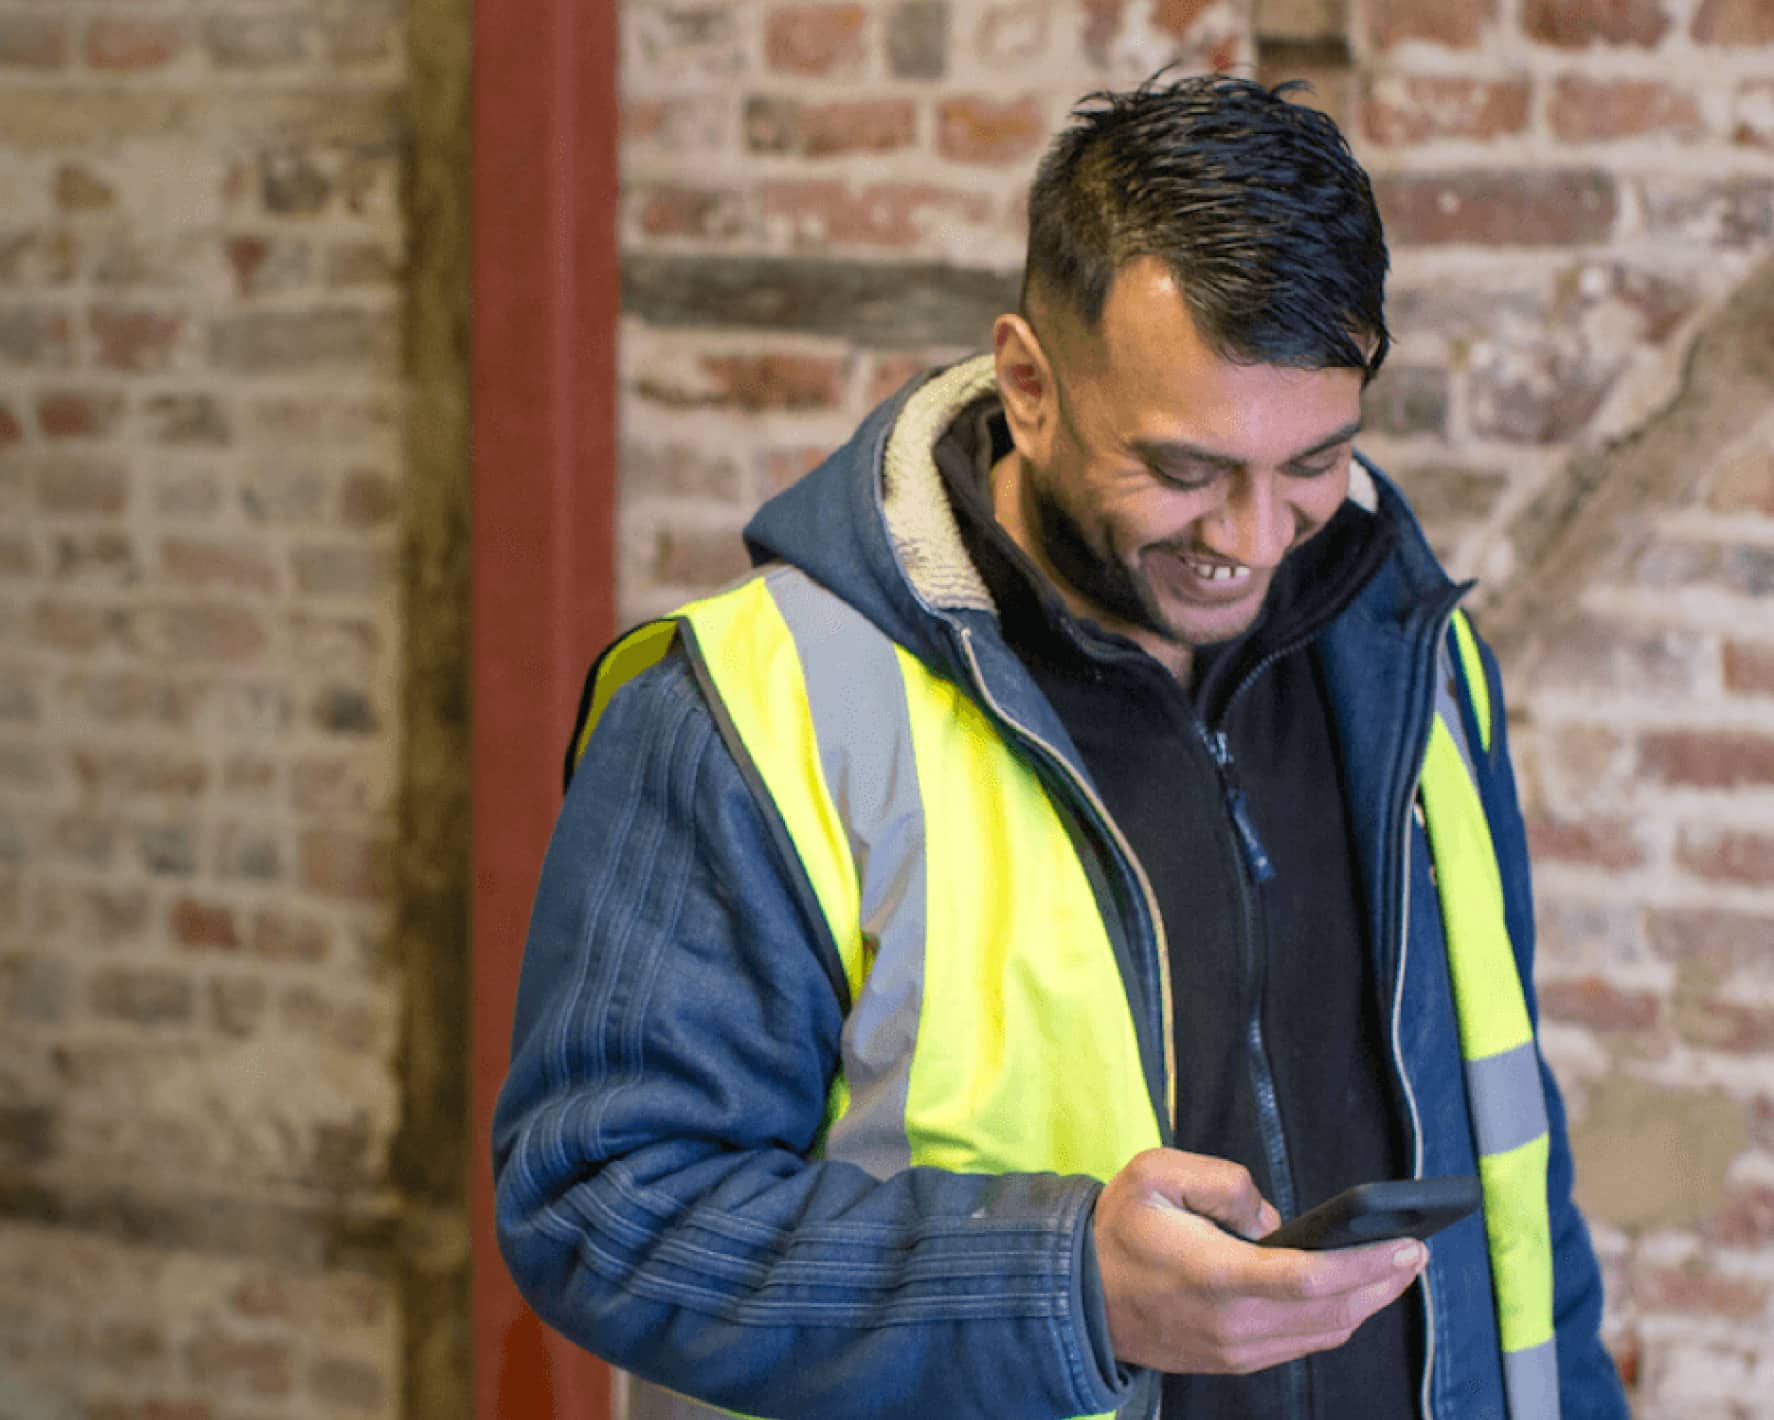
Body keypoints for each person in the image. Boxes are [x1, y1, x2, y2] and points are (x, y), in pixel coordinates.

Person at [493, 74, 1628, 1420]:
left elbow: (1508, 1170)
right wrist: (1064, 1289)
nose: (1253, 542)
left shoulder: (1413, 657)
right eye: (1186, 470)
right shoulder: (749, 706)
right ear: (1029, 386)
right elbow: (602, 1206)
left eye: (1311, 462)